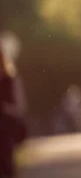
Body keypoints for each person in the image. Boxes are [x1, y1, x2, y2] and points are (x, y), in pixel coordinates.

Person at [0, 41, 27, 178]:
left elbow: (20, 107)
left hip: (6, 131)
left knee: (6, 165)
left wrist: (4, 108)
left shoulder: (11, 80)